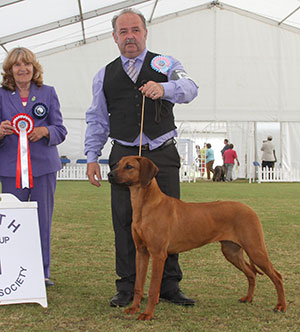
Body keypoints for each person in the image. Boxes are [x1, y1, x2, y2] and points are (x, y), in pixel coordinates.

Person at [84, 8, 198, 307]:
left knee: (170, 223)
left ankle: (170, 286)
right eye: (123, 32)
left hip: (162, 154)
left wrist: (165, 87)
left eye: (135, 30)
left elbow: (190, 88)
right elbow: (97, 119)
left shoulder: (167, 64)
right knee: (124, 222)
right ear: (114, 37)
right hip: (124, 156)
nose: (130, 36)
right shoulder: (104, 75)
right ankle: (127, 286)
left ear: (145, 33)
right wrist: (92, 156)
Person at [0, 47, 67, 286]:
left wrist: (45, 130)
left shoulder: (48, 93)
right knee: (11, 221)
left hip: (43, 168)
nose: (22, 69)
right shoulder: (1, 95)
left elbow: (60, 130)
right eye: (17, 65)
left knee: (42, 220)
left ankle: (42, 271)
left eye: (27, 64)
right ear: (9, 70)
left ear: (34, 67)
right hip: (10, 169)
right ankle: (10, 268)